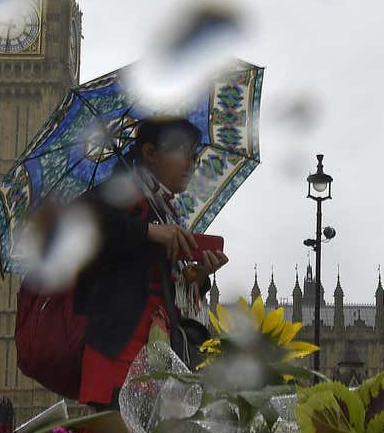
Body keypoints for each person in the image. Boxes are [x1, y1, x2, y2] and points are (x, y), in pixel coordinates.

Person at [16, 116, 228, 408]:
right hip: (117, 351)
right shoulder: (117, 193)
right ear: (150, 153)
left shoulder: (164, 208)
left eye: (195, 153)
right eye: (182, 151)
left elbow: (152, 276)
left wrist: (196, 275)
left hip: (157, 350)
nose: (192, 161)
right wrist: (150, 231)